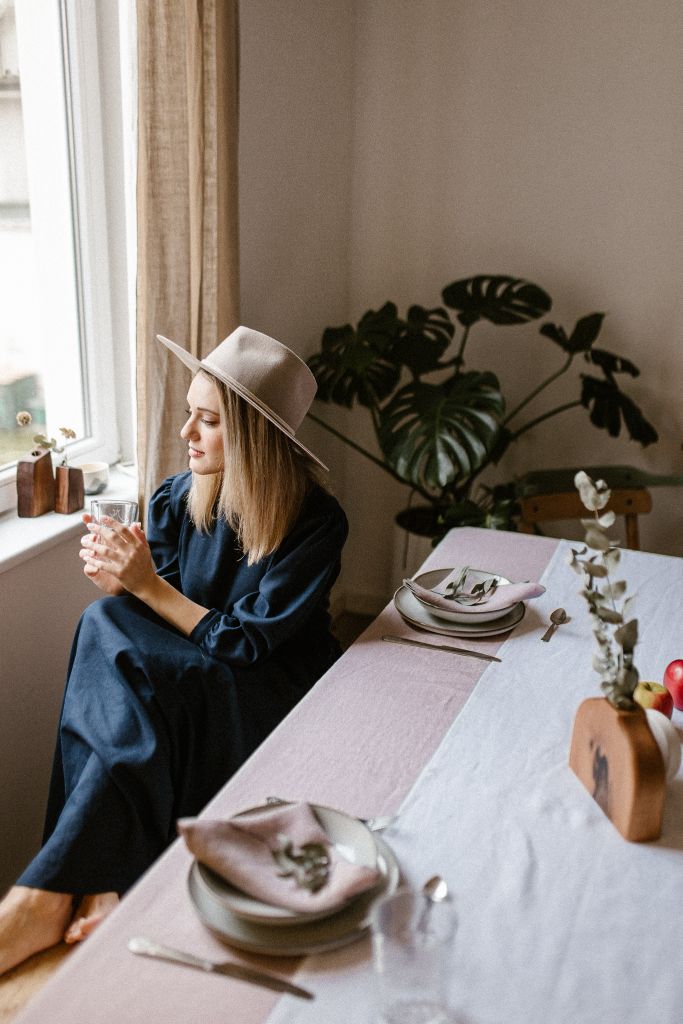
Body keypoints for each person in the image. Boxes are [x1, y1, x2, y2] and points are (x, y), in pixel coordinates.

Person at [0, 326, 348, 974]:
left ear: (252, 437)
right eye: (190, 413)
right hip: (195, 670)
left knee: (109, 633)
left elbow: (246, 642)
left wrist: (145, 590)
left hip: (269, 691)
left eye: (207, 420)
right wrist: (125, 584)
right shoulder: (174, 498)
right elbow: (149, 619)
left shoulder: (314, 523)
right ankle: (85, 883)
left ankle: (52, 891)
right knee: (108, 623)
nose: (187, 432)